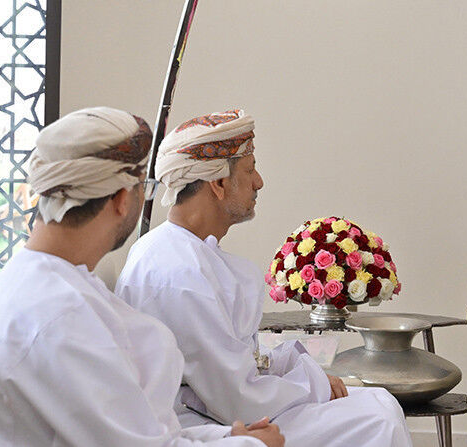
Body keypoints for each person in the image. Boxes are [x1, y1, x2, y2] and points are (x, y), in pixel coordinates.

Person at [0, 107, 283, 447]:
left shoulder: (50, 282)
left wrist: (227, 436)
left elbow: (134, 429)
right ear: (120, 200)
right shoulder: (59, 313)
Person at [115, 110, 413, 447]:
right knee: (376, 418)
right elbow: (234, 399)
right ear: (218, 184)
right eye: (249, 169)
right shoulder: (177, 270)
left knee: (378, 404)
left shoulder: (190, 254)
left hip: (221, 408)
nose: (259, 182)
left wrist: (295, 369)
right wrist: (310, 383)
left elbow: (236, 367)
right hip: (196, 425)